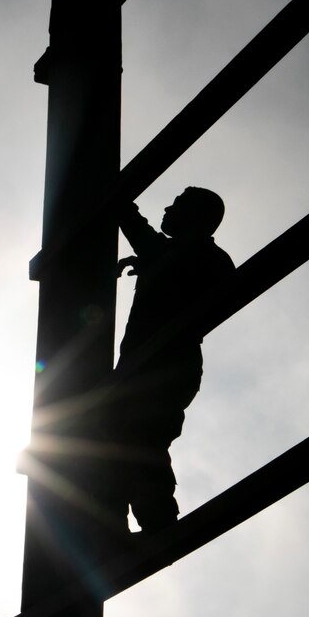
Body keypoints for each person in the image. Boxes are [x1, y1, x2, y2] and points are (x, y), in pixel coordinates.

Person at [103, 186, 234, 533]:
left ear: (196, 217)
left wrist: (111, 197)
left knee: (138, 440)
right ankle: (128, 525)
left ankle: (157, 524)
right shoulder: (187, 255)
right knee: (122, 441)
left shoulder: (192, 254)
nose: (167, 208)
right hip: (154, 366)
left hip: (162, 366)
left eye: (177, 204)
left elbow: (135, 227)